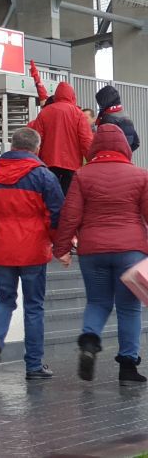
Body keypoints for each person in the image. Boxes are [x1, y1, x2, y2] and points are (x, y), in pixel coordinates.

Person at [53, 124, 148, 385]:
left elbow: (70, 215)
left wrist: (61, 249)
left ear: (95, 146)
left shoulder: (82, 175)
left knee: (98, 302)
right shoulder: (140, 175)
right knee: (129, 308)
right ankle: (128, 368)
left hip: (93, 249)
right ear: (125, 147)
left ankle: (90, 340)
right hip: (131, 250)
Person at [0, 126, 64, 380]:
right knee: (34, 307)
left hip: (2, 248)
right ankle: (33, 365)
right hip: (33, 249)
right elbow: (56, 216)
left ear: (12, 146)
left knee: (5, 301)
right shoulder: (43, 176)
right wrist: (60, 245)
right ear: (36, 148)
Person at [28, 82, 92, 195]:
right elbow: (86, 141)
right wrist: (92, 162)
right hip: (72, 165)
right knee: (69, 199)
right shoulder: (78, 114)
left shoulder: (44, 113)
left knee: (50, 198)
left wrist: (33, 163)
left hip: (48, 163)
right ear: (72, 96)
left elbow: (36, 140)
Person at [95, 85, 140, 153]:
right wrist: (124, 154)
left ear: (104, 100)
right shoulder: (126, 118)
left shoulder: (107, 119)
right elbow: (136, 143)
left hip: (109, 160)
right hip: (124, 160)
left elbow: (102, 145)